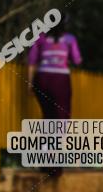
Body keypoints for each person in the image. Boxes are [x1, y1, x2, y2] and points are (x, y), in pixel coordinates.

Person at [27, 16, 82, 177]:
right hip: (60, 81)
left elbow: (31, 62)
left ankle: (44, 161)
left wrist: (29, 85)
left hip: (42, 79)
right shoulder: (69, 39)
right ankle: (55, 165)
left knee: (47, 118)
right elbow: (77, 60)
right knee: (60, 121)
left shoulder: (40, 38)